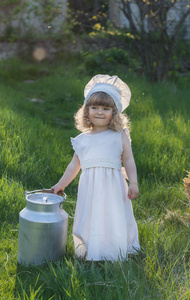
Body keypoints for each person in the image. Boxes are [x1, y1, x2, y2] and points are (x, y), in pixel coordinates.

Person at [51, 74, 140, 261]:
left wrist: (133, 182)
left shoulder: (119, 135)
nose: (99, 112)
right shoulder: (83, 140)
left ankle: (115, 250)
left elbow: (129, 160)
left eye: (106, 108)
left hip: (113, 187)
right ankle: (91, 250)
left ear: (114, 113)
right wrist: (61, 184)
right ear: (86, 111)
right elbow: (74, 165)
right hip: (90, 188)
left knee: (112, 216)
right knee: (90, 217)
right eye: (94, 107)